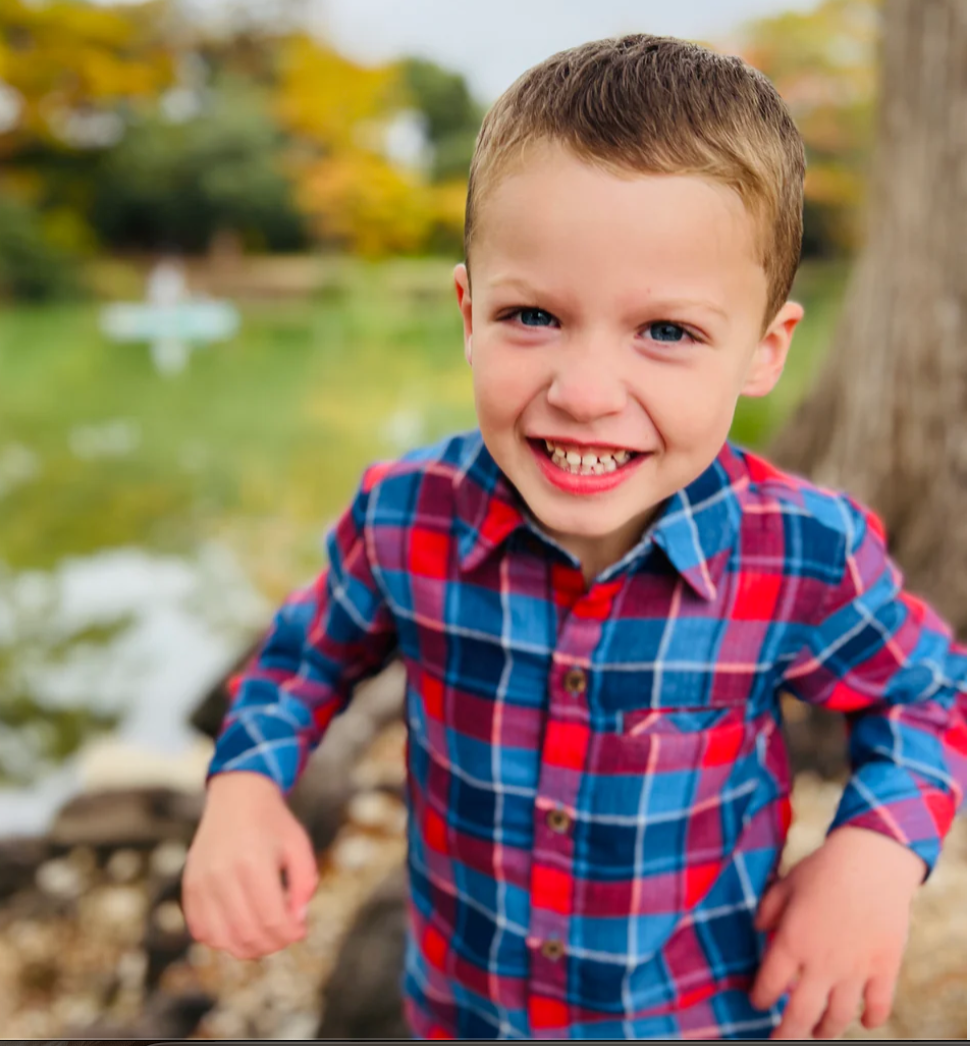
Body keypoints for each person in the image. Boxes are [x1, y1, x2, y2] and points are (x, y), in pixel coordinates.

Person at [181, 34, 967, 1040]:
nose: (585, 392)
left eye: (668, 331)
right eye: (533, 315)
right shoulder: (402, 515)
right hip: (460, 1007)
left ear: (762, 352)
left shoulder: (801, 554)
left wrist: (874, 855)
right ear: (468, 312)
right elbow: (296, 663)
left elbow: (931, 695)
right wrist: (244, 784)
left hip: (691, 1014)